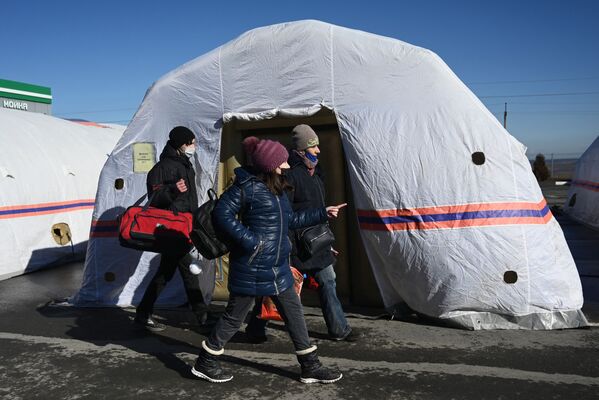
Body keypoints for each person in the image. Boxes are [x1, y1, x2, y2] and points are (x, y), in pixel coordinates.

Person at [191, 139, 345, 384]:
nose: (286, 164)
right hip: (253, 264)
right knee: (234, 317)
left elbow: (290, 220)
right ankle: (205, 361)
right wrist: (251, 241)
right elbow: (222, 214)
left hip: (278, 266)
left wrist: (322, 213)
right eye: (282, 160)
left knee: (294, 314)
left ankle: (310, 366)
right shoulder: (247, 186)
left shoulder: (278, 189)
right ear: (270, 164)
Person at [246, 124, 357, 342]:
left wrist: (326, 240)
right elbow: (285, 216)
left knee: (328, 281)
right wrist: (285, 249)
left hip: (316, 242)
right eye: (313, 147)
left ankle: (339, 329)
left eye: (317, 146)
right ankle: (256, 328)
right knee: (275, 288)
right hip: (295, 246)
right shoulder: (291, 176)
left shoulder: (316, 174)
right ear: (301, 149)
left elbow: (317, 210)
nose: (318, 151)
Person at [134, 126, 209, 332]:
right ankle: (203, 318)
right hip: (171, 228)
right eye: (191, 142)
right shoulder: (163, 167)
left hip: (183, 225)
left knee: (166, 272)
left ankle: (143, 313)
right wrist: (173, 191)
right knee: (187, 273)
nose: (194, 146)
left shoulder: (185, 164)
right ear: (182, 144)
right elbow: (155, 198)